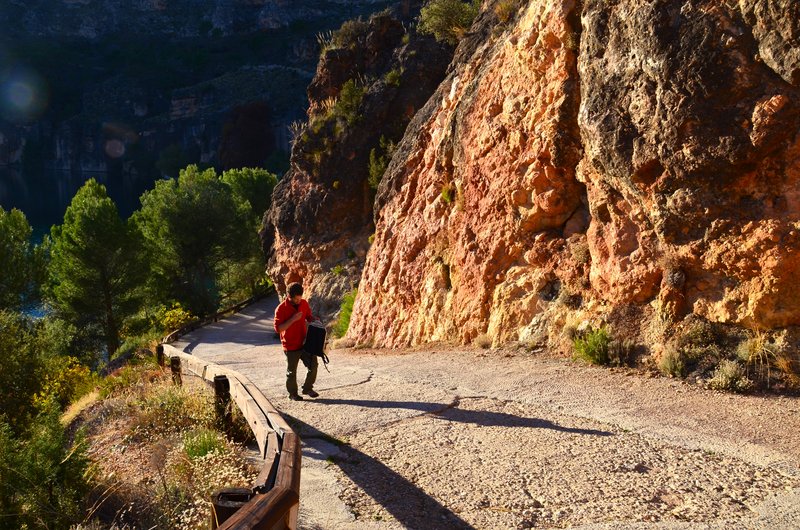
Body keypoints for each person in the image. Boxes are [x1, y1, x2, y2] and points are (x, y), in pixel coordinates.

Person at [274, 282, 319, 400]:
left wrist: (313, 319)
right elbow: (279, 329)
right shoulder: (281, 309)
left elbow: (308, 316)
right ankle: (293, 394)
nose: (299, 300)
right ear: (289, 296)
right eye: (296, 299)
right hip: (290, 345)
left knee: (313, 365)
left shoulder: (304, 303)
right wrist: (293, 319)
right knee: (291, 372)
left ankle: (308, 388)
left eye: (300, 298)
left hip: (304, 342)